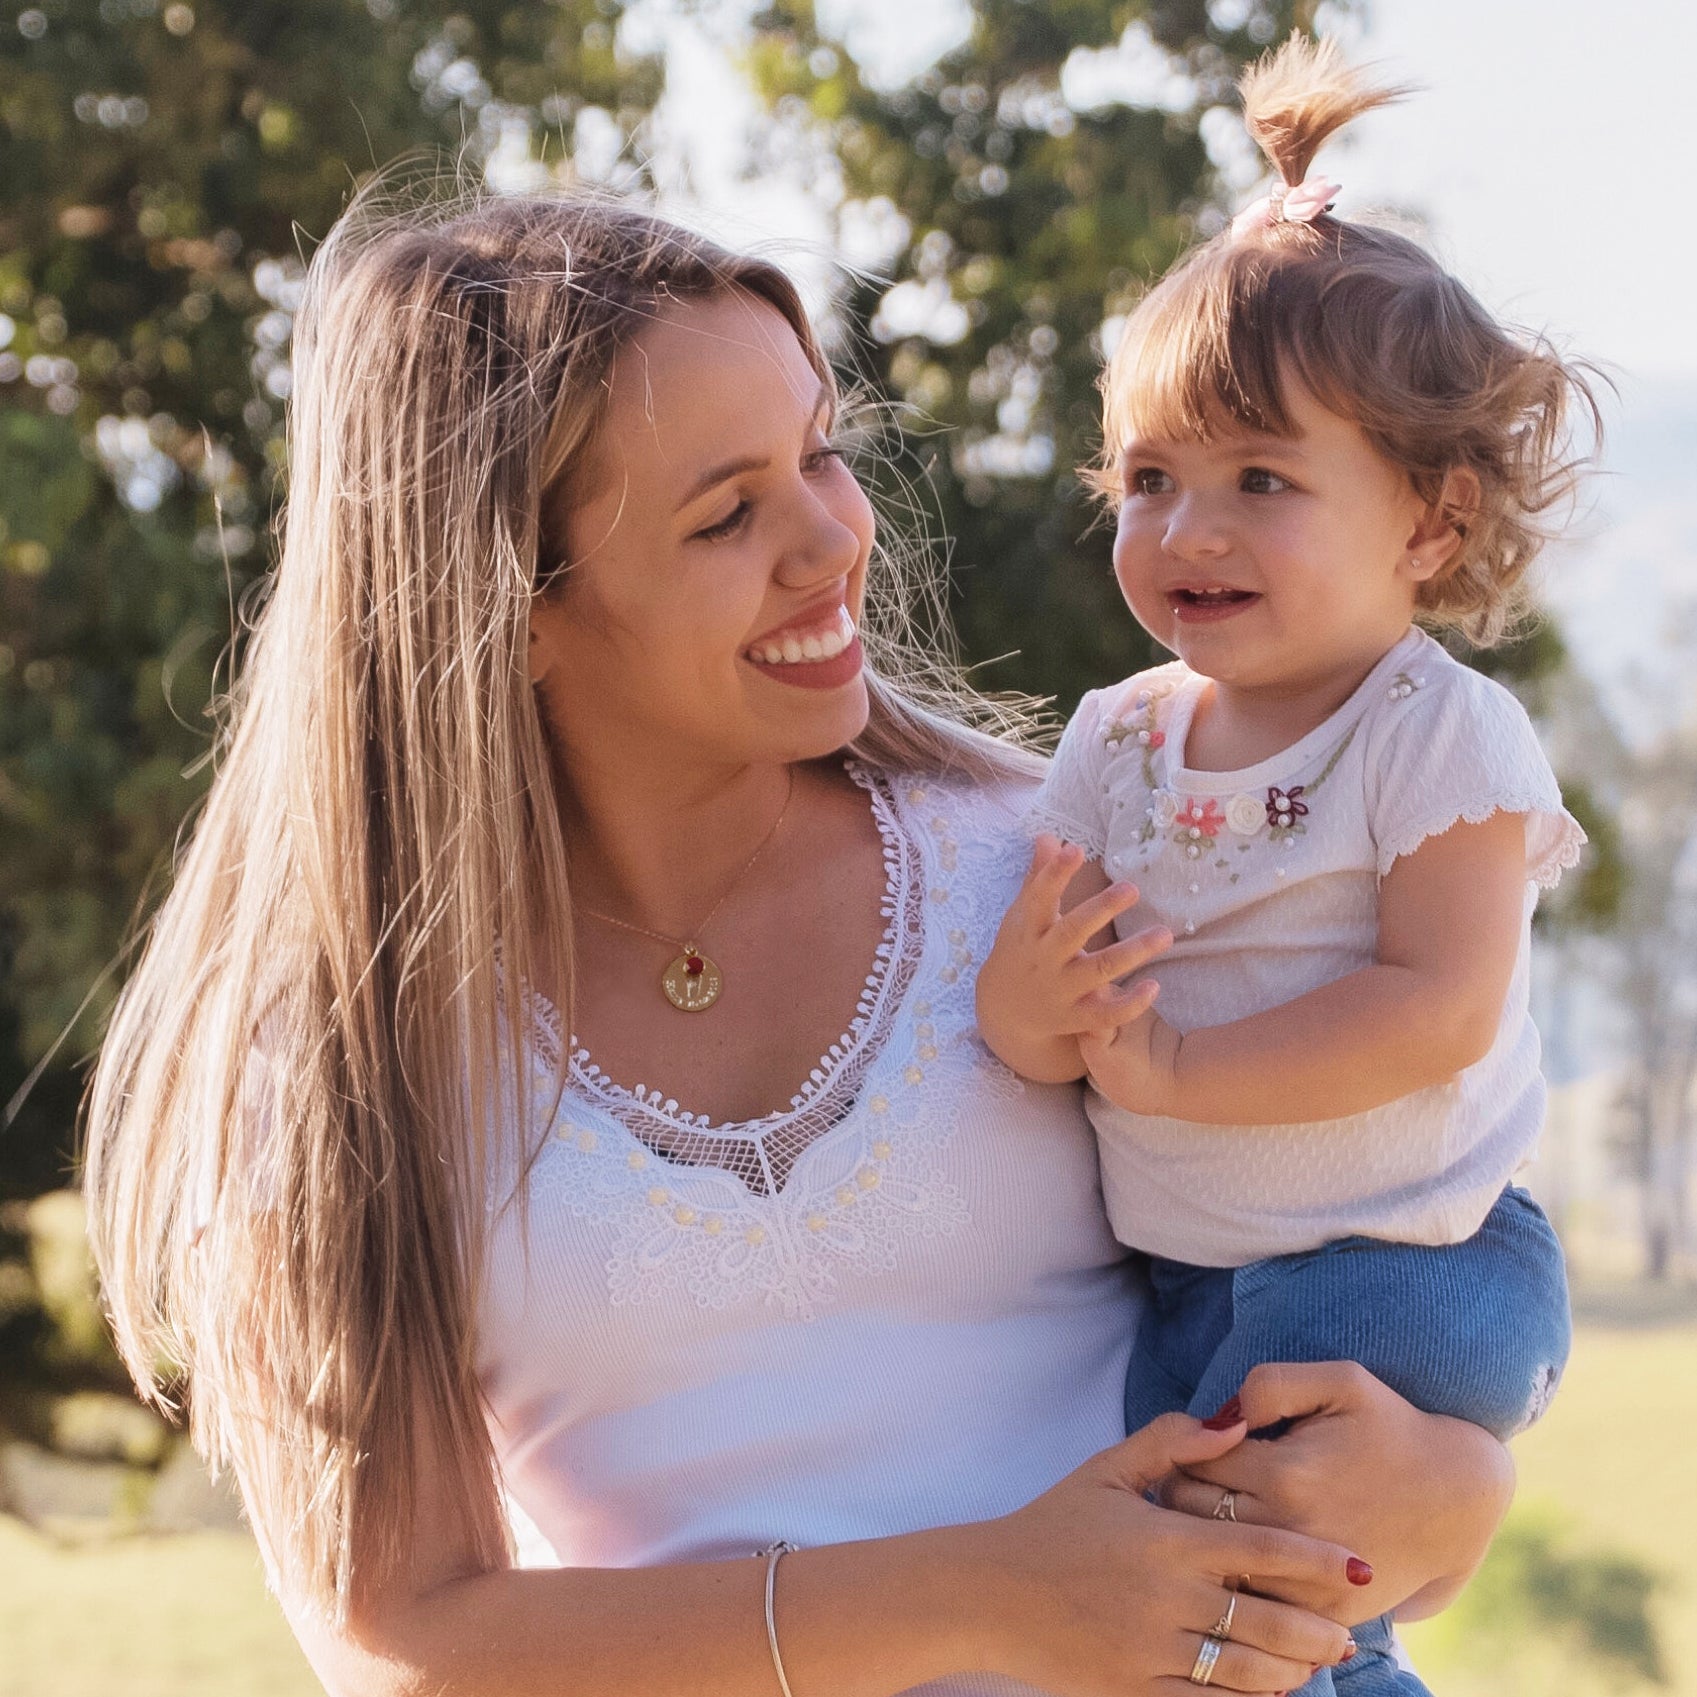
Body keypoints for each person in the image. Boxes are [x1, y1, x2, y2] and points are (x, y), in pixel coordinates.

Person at [83, 181, 1516, 1697]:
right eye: (726, 512)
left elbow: (1405, 1225)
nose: (832, 539)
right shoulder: (341, 1063)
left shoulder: (1055, 863)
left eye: (819, 452)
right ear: (505, 611)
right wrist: (986, 1596)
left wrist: (1452, 1488)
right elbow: (407, 1641)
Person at [975, 38, 1592, 1697]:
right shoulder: (1115, 736)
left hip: (1408, 1263)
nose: (1187, 533)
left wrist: (1175, 1068)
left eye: (1261, 481)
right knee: (1213, 1613)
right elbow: (1051, 1019)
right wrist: (1036, 1009)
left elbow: (1437, 1006)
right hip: (1195, 1279)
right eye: (1151, 480)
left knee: (1246, 1591)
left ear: (1427, 525)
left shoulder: (1432, 734)